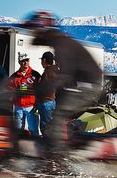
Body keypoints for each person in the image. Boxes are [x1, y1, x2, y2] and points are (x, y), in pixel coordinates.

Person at [22, 11, 102, 156]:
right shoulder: (60, 42)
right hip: (82, 84)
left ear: (42, 30)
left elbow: (64, 76)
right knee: (56, 119)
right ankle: (68, 146)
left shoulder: (62, 44)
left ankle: (59, 159)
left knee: (58, 116)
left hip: (87, 85)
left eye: (34, 30)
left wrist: (40, 89)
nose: (33, 34)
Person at [8, 52, 42, 136]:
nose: (26, 62)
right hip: (18, 106)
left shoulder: (35, 74)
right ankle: (19, 147)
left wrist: (38, 104)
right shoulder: (14, 76)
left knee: (33, 129)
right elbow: (7, 87)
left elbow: (41, 89)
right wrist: (15, 90)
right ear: (19, 62)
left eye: (27, 60)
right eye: (23, 61)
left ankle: (35, 146)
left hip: (31, 106)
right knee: (18, 130)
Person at [36, 51, 58, 136]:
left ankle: (47, 143)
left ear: (44, 60)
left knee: (45, 126)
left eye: (42, 60)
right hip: (52, 101)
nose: (41, 62)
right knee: (50, 124)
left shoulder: (48, 73)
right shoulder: (54, 71)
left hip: (46, 102)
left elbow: (44, 88)